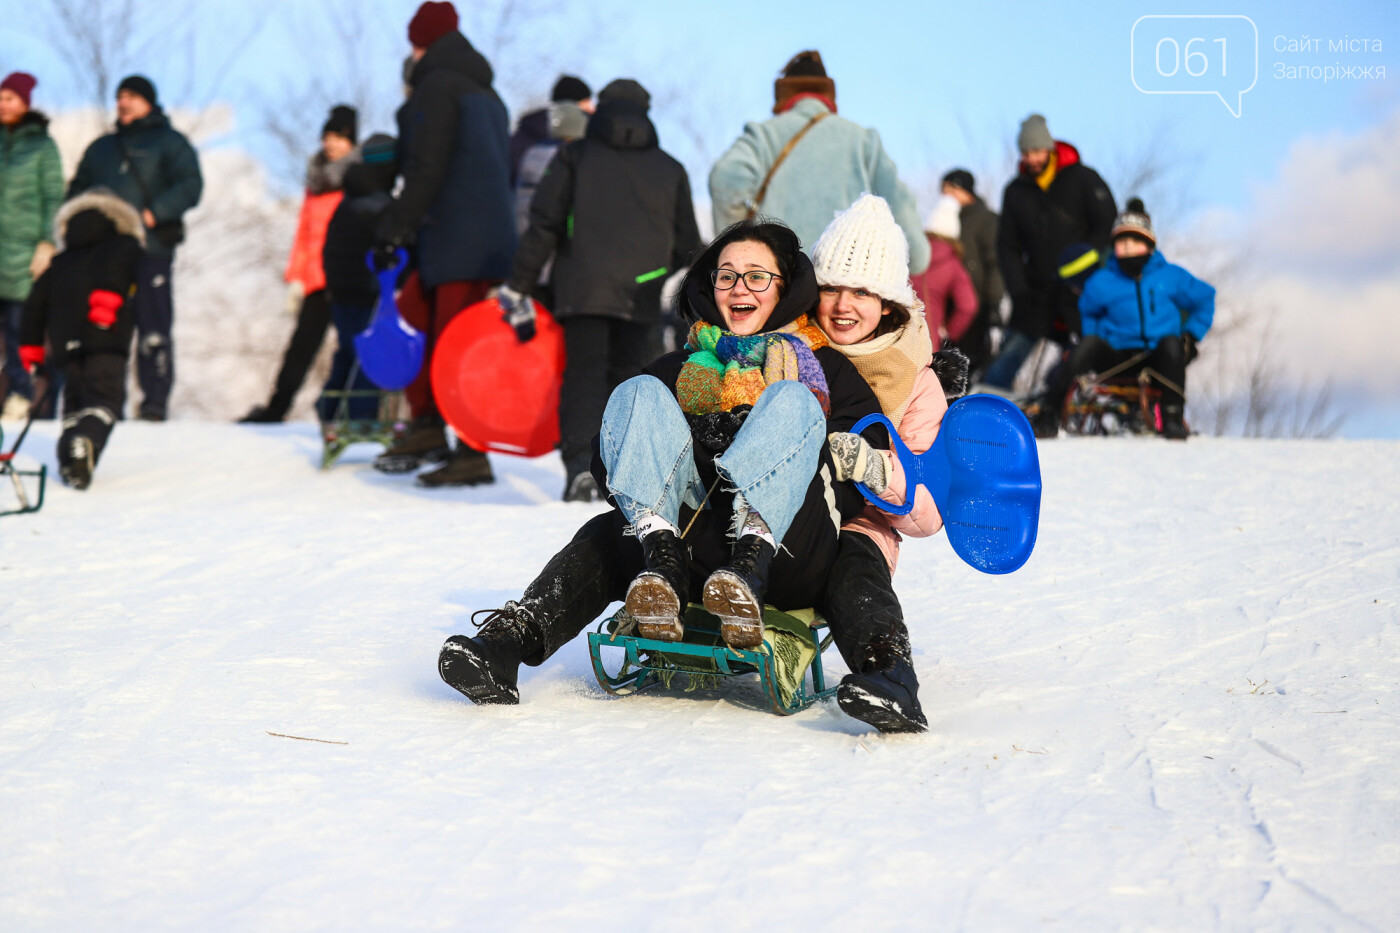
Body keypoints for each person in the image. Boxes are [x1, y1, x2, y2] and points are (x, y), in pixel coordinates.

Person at [436, 219, 885, 705]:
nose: (739, 287)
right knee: (632, 420)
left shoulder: (826, 370)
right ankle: (506, 643)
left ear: (787, 288)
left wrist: (755, 446)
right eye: (726, 274)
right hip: (682, 552)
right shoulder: (681, 365)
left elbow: (859, 469)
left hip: (786, 553)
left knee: (793, 403)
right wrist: (690, 445)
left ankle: (754, 576)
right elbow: (608, 460)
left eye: (758, 276)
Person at [808, 193, 969, 732]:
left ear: (889, 304)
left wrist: (876, 470)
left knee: (854, 574)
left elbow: (928, 513)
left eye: (862, 291)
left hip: (860, 522)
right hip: (783, 508)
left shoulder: (917, 383)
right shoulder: (787, 346)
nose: (843, 304)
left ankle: (890, 676)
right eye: (830, 287)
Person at [498, 78, 702, 502]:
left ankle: (580, 470)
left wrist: (518, 284)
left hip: (582, 288)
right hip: (643, 293)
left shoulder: (574, 156)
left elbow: (544, 225)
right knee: (635, 380)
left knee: (584, 378)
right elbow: (690, 245)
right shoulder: (670, 167)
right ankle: (631, 471)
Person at [370, 1, 517, 487]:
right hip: (483, 236)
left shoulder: (436, 88)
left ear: (422, 43)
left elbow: (426, 166)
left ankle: (471, 450)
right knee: (422, 322)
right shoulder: (490, 95)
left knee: (453, 343)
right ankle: (428, 427)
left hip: (457, 236)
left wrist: (394, 226)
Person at [709, 50, 929, 274]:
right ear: (829, 97)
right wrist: (915, 255)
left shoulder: (765, 134)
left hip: (779, 277)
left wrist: (734, 248)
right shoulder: (863, 140)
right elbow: (897, 201)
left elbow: (726, 178)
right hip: (841, 282)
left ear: (782, 96)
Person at [67, 75, 203, 422]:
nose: (124, 103)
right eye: (119, 97)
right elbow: (78, 189)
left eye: (131, 97)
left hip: (150, 248)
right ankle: (107, 403)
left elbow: (190, 184)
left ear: (148, 102)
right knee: (103, 326)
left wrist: (155, 213)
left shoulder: (170, 143)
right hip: (104, 254)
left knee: (153, 326)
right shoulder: (102, 148)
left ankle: (154, 404)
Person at [1030, 199, 1215, 440]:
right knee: (1087, 346)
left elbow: (1205, 298)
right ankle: (1049, 412)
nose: (1128, 248)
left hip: (1156, 357)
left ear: (1148, 245)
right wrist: (1095, 335)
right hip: (1116, 356)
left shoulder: (1170, 276)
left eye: (1135, 242)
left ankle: (1171, 416)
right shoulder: (1102, 281)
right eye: (1122, 242)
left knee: (1172, 343)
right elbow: (1089, 311)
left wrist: (1190, 336)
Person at [17, 190, 144, 489]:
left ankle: (71, 466)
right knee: (104, 402)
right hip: (107, 340)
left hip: (66, 348)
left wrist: (31, 349)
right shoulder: (124, 246)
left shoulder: (60, 262)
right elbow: (121, 276)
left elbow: (34, 306)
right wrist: (107, 305)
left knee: (73, 404)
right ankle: (83, 443)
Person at [240, 106, 358, 424]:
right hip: (317, 279)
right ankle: (276, 409)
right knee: (300, 348)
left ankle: (346, 412)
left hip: (349, 277)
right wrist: (296, 278)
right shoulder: (315, 183)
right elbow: (304, 234)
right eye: (328, 137)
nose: (331, 144)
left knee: (352, 346)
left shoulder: (358, 179)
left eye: (339, 137)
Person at [982, 113, 1114, 393]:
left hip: (1080, 292)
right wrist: (1018, 291)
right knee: (1010, 354)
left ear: (1049, 148)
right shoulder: (1016, 191)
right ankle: (987, 404)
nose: (1031, 158)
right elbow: (1007, 246)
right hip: (1035, 293)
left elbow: (1106, 224)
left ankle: (1069, 402)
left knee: (1083, 355)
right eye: (1026, 153)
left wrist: (1086, 268)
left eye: (1037, 151)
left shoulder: (1082, 178)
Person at [316, 134, 399, 423]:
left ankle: (330, 408)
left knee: (348, 349)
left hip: (340, 289)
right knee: (369, 352)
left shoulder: (350, 196)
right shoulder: (379, 204)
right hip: (367, 289)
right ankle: (360, 418)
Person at [0, 72, 63, 422]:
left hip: (24, 255)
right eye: (0, 98)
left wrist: (46, 243)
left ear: (25, 103)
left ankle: (23, 394)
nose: (3, 105)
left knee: (18, 332)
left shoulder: (42, 147)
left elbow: (54, 197)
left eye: (10, 98)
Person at [510, 75, 591, 235]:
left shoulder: (522, 137)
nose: (592, 108)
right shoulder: (581, 151)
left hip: (515, 231)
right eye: (585, 103)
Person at [940, 168, 1003, 375]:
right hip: (948, 303)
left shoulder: (986, 219)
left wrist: (993, 304)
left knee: (968, 361)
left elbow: (994, 263)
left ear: (963, 190)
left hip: (976, 302)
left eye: (949, 191)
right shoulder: (947, 219)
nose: (946, 197)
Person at [910, 194, 978, 345]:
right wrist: (948, 332)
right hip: (928, 340)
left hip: (893, 337)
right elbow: (968, 306)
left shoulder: (908, 253)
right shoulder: (953, 264)